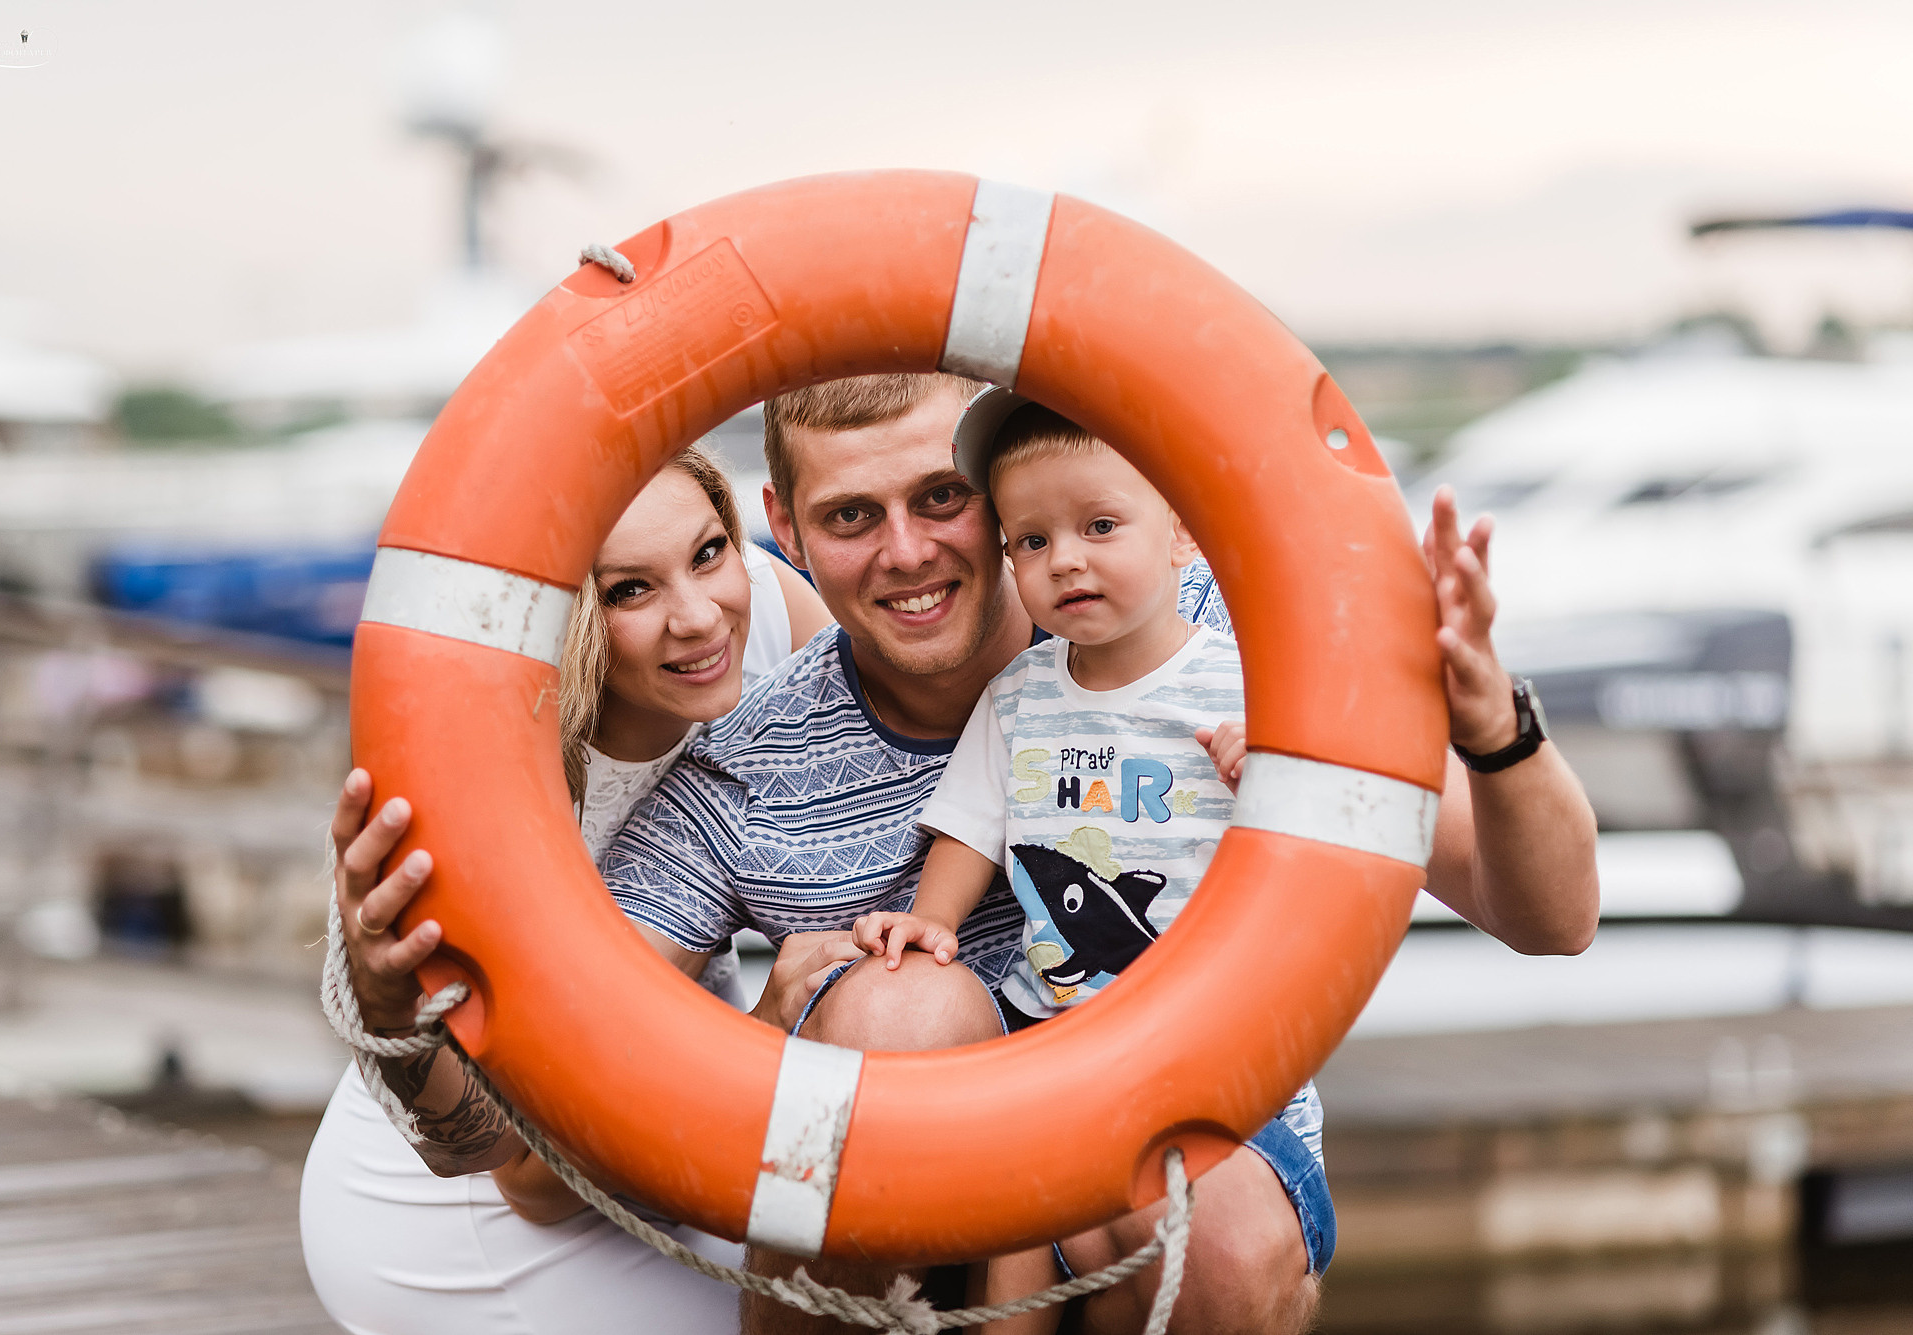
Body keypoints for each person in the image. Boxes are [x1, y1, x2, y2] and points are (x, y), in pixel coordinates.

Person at [329, 372, 1599, 1335]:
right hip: (877, 1252)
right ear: (785, 525)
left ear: (998, 502)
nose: (905, 552)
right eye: (849, 515)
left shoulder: (1204, 641)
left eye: (941, 498)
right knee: (901, 1007)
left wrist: (1494, 734)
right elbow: (527, 1153)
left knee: (1205, 1238)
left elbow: (1549, 918)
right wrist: (401, 1019)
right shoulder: (738, 779)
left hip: (1186, 1172)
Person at [301, 439, 830, 1335]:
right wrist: (763, 1037)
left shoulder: (772, 614)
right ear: (570, 612)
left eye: (708, 551)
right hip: (470, 1220)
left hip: (679, 1143)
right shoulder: (501, 792)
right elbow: (509, 1162)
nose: (701, 616)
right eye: (631, 589)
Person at [847, 391, 1316, 1332]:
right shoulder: (1018, 694)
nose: (1064, 559)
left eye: (1100, 525)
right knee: (1016, 1281)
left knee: (1176, 1277)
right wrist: (932, 919)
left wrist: (1274, 779)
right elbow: (974, 823)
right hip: (1049, 1045)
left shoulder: (1250, 686)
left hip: (1212, 1063)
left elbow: (1315, 878)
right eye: (1029, 540)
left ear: (1183, 534)